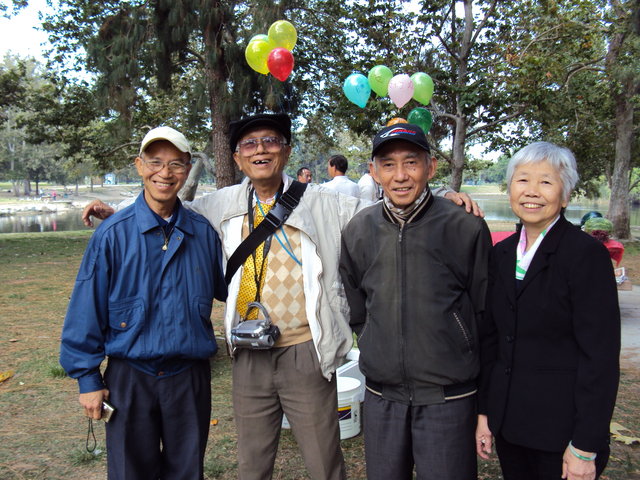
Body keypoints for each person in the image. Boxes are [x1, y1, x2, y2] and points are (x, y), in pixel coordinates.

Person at [82, 114, 483, 480]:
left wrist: (444, 194)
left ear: (287, 151)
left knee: (323, 461)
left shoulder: (324, 203)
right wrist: (117, 211)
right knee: (252, 463)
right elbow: (169, 206)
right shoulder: (219, 205)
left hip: (304, 351)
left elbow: (393, 199)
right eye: (249, 144)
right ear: (237, 158)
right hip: (248, 354)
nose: (260, 150)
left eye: (270, 141)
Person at [60, 126, 227, 480]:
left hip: (188, 377)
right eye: (155, 162)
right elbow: (86, 309)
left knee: (187, 470)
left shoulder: (203, 233)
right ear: (139, 166)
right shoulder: (112, 235)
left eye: (176, 164)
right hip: (130, 377)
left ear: (187, 170)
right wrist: (88, 379)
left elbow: (228, 287)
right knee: (130, 471)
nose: (165, 173)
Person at [339, 123, 491, 480]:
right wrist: (375, 341)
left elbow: (485, 312)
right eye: (388, 165)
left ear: (430, 167)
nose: (400, 175)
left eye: (411, 162)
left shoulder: (464, 226)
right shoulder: (359, 229)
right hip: (383, 395)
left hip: (448, 397)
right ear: (374, 171)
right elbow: (357, 306)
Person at [475, 142, 620, 480]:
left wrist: (585, 444)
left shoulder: (585, 256)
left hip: (562, 433)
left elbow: (599, 357)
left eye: (546, 182)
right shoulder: (502, 253)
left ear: (565, 195)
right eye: (523, 180)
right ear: (510, 189)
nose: (532, 191)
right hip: (510, 425)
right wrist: (485, 413)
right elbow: (493, 339)